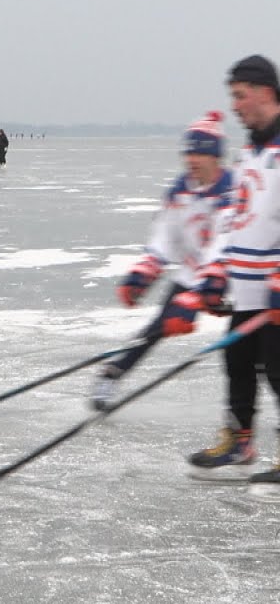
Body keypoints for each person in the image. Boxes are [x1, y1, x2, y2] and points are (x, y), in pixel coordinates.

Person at [162, 55, 280, 500]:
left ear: (265, 92)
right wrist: (214, 280)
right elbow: (234, 219)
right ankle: (240, 443)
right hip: (250, 290)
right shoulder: (252, 151)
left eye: (240, 96)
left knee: (279, 370)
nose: (235, 106)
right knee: (237, 365)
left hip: (275, 289)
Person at [91, 111, 234, 411]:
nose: (193, 160)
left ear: (216, 157)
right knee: (157, 328)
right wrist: (145, 272)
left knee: (258, 346)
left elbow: (226, 243)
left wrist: (207, 288)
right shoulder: (180, 191)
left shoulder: (232, 191)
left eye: (201, 153)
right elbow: (166, 238)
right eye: (189, 152)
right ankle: (112, 374)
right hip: (193, 275)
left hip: (235, 278)